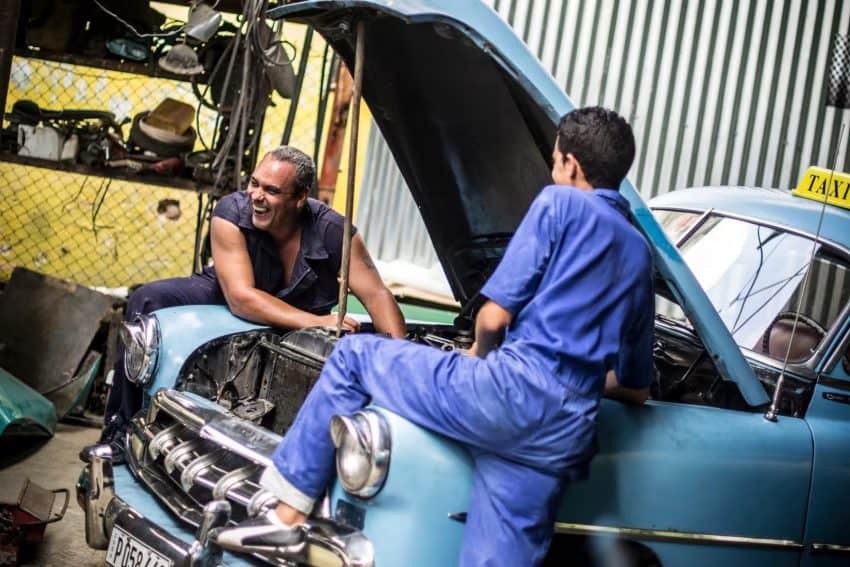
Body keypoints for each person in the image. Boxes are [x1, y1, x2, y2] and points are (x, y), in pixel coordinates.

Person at [214, 107, 655, 566]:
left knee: (355, 356)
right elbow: (636, 388)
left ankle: (284, 518)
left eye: (555, 159)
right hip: (562, 435)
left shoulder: (560, 203)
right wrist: (570, 381)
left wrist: (478, 358)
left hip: (503, 394)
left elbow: (491, 318)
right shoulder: (639, 252)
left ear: (571, 165)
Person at [91, 146, 406, 462]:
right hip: (228, 293)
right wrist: (316, 321)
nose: (256, 195)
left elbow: (377, 295)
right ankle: (120, 436)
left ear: (300, 198)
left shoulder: (334, 231)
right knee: (149, 297)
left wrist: (401, 362)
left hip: (296, 315)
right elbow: (241, 298)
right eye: (254, 183)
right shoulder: (231, 213)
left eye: (271, 190)